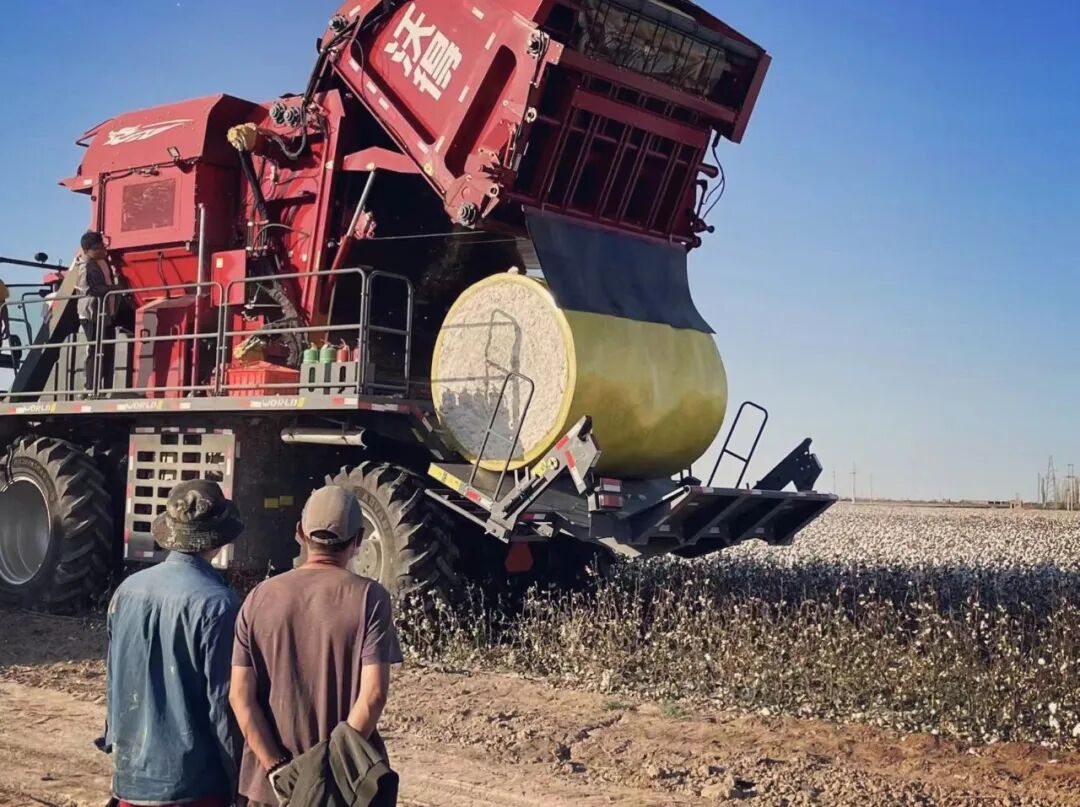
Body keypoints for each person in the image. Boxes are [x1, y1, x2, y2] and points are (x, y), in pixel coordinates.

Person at [231, 486, 403, 806]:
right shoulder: (370, 598)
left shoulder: (258, 597)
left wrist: (278, 770)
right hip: (343, 790)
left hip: (269, 791)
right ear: (358, 540)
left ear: (300, 533)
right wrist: (322, 776)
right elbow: (373, 697)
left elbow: (240, 697)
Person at [105, 480, 244, 807]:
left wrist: (113, 742)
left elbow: (115, 679)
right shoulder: (219, 605)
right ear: (219, 540)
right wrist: (239, 781)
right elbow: (223, 708)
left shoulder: (126, 591)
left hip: (131, 781)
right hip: (195, 787)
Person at [72, 230, 119, 391]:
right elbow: (88, 289)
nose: (101, 250)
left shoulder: (101, 262)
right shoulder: (85, 266)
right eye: (97, 248)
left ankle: (106, 386)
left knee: (107, 349)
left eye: (101, 246)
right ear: (87, 250)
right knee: (95, 349)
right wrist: (113, 289)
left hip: (105, 313)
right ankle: (91, 387)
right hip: (91, 313)